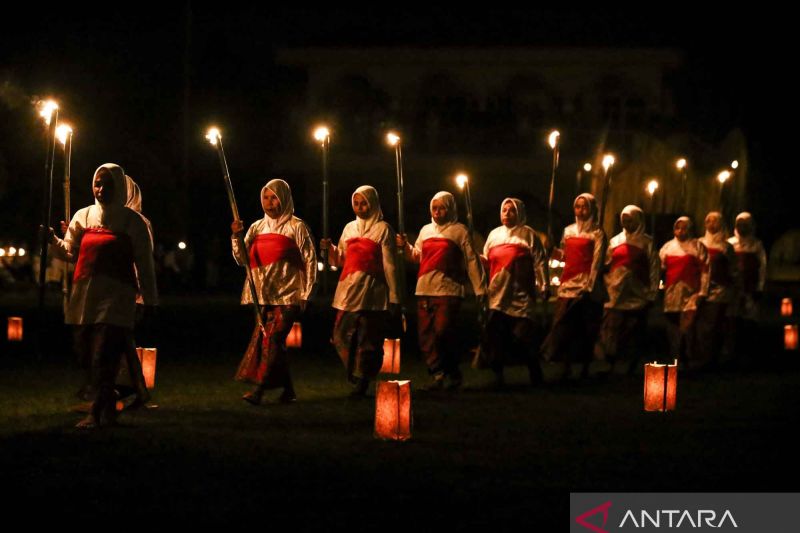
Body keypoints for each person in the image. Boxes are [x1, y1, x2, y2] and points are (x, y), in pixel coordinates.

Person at [47, 163, 158, 428]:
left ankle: (95, 412)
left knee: (104, 353)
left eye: (107, 183)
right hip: (86, 294)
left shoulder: (133, 222)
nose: (101, 189)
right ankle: (108, 409)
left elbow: (144, 264)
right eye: (97, 183)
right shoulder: (83, 216)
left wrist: (149, 299)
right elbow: (71, 252)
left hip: (117, 296)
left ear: (118, 186)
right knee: (85, 351)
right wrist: (51, 240)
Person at [232, 179, 316, 405]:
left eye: (274, 197)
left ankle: (259, 390)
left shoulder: (297, 227)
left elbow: (310, 260)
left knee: (273, 338)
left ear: (285, 198)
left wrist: (307, 293)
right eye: (266, 198)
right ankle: (288, 390)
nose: (270, 202)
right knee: (272, 342)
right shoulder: (256, 228)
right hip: (263, 295)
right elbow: (242, 260)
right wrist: (236, 237)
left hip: (289, 294)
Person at [396, 191, 487, 391]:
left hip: (448, 289)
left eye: (442, 207)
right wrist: (406, 247)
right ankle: (438, 374)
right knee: (426, 335)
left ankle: (452, 371)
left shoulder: (460, 231)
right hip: (424, 288)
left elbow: (472, 261)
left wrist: (480, 289)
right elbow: (417, 256)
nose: (437, 212)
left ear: (451, 208)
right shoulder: (426, 231)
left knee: (442, 331)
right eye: (434, 208)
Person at [321, 186, 398, 396]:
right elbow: (340, 260)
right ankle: (354, 370)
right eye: (356, 203)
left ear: (372, 203)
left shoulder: (383, 229)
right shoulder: (349, 228)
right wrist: (329, 251)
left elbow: (390, 264)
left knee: (369, 338)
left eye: (364, 203)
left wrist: (394, 296)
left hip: (373, 292)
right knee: (339, 334)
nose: (360, 207)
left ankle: (364, 379)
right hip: (348, 290)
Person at [478, 198, 547, 387]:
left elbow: (540, 261)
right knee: (495, 337)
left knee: (523, 337)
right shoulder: (493, 235)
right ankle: (498, 376)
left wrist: (544, 285)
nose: (507, 213)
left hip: (520, 294)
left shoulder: (529, 234)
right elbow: (486, 260)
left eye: (512, 210)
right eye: (504, 210)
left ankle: (535, 372)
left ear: (520, 213)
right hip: (497, 294)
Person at [541, 193, 606, 380]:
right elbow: (565, 256)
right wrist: (551, 250)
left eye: (584, 206)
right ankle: (564, 364)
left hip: (586, 287)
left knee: (585, 329)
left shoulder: (597, 233)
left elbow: (597, 261)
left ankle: (585, 366)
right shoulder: (568, 230)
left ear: (592, 209)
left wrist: (590, 285)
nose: (581, 210)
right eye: (578, 206)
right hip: (568, 284)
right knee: (563, 325)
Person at [594, 205, 659, 374]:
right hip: (615, 292)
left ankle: (632, 363)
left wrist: (652, 293)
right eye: (624, 220)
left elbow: (653, 269)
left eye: (630, 220)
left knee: (634, 331)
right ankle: (611, 361)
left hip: (638, 293)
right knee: (611, 329)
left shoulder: (647, 242)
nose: (626, 223)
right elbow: (607, 262)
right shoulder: (615, 241)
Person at [659, 216, 710, 368]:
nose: (681, 231)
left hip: (691, 293)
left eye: (684, 228)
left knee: (688, 326)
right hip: (671, 293)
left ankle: (689, 357)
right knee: (673, 326)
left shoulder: (697, 246)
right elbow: (661, 269)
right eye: (678, 227)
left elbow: (706, 270)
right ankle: (676, 357)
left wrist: (703, 292)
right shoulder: (667, 247)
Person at [696, 211, 739, 370]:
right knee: (701, 325)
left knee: (713, 324)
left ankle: (712, 358)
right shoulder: (699, 243)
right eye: (708, 221)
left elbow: (733, 269)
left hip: (719, 290)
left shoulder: (726, 246)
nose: (711, 224)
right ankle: (701, 356)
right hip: (700, 290)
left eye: (715, 221)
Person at [728, 212, 767, 367]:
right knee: (733, 320)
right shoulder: (729, 243)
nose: (742, 227)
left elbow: (762, 268)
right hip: (734, 289)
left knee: (749, 320)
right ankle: (733, 354)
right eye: (740, 224)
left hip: (750, 287)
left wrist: (760, 287)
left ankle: (750, 354)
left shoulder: (756, 245)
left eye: (745, 224)